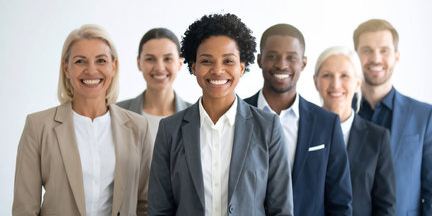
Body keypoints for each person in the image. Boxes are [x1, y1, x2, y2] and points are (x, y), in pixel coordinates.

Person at [148, 14, 293, 216]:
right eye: (207, 61)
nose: (217, 70)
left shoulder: (268, 127)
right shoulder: (169, 130)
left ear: (241, 67)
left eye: (228, 61)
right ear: (194, 67)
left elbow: (281, 209)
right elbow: (159, 209)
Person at [13, 24, 152, 216]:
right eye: (80, 61)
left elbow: (145, 204)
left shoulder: (138, 126)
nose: (91, 70)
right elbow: (24, 208)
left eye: (101, 60)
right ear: (66, 68)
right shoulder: (38, 126)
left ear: (114, 66)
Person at [245, 23, 352, 216]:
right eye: (272, 56)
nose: (281, 64)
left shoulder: (326, 124)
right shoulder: (237, 115)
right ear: (260, 60)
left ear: (303, 63)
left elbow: (340, 202)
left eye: (291, 58)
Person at [353, 19, 432, 216]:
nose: (376, 58)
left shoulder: (424, 116)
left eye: (384, 50)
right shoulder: (338, 115)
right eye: (367, 50)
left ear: (396, 57)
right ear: (356, 57)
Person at [314, 46, 396, 216]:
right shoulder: (302, 132)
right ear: (316, 81)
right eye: (327, 75)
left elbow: (385, 207)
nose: (336, 84)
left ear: (358, 82)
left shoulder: (378, 138)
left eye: (344, 76)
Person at [117, 28, 191, 145]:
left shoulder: (196, 116)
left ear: (179, 64)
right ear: (138, 63)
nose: (159, 68)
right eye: (150, 59)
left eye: (167, 59)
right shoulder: (116, 114)